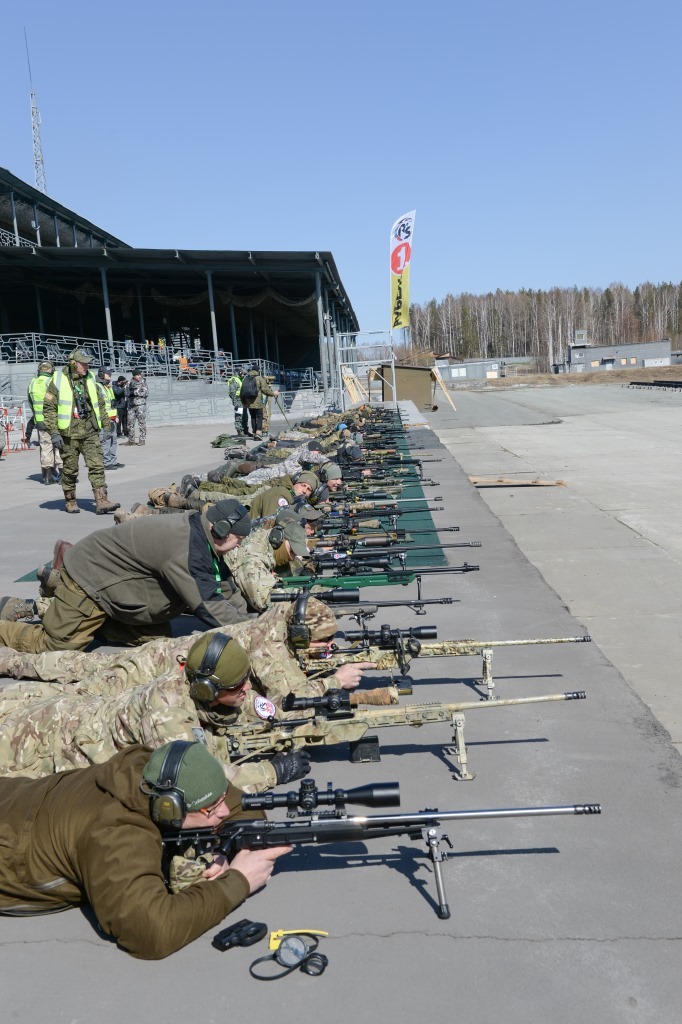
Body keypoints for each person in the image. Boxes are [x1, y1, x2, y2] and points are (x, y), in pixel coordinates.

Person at [0, 740, 292, 959]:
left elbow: (234, 803)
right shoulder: (118, 835)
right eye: (212, 808)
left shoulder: (157, 771)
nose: (224, 810)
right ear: (171, 808)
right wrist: (238, 881)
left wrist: (228, 848)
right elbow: (151, 932)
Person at [0, 498, 253, 653]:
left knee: (157, 637)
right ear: (220, 529)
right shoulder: (186, 547)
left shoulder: (200, 533)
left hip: (110, 580)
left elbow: (223, 584)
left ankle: (86, 619)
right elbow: (208, 603)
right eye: (238, 540)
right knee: (56, 646)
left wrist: (251, 618)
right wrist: (251, 633)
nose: (239, 546)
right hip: (90, 577)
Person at [42, 348, 119, 515]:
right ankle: (70, 500)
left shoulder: (90, 378)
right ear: (73, 363)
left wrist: (106, 425)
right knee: (70, 470)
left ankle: (102, 501)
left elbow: (100, 404)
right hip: (68, 435)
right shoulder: (58, 379)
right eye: (83, 363)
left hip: (90, 431)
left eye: (87, 363)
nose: (87, 366)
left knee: (97, 466)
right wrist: (54, 433)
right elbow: (48, 409)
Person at [26, 360, 62, 485]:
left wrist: (37, 418)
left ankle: (47, 477)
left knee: (46, 447)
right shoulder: (51, 382)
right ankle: (63, 475)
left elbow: (31, 403)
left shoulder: (33, 383)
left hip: (40, 421)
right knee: (59, 446)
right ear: (51, 370)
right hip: (54, 420)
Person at [248, 471, 319, 519]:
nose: (304, 491)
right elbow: (269, 522)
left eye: (309, 489)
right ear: (295, 482)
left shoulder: (292, 497)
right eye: (303, 485)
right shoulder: (280, 494)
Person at [239, 364, 279, 440]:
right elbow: (265, 390)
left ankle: (254, 433)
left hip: (249, 403)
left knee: (253, 417)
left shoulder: (246, 378)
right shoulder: (259, 378)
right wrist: (273, 393)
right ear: (258, 371)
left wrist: (244, 402)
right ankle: (258, 432)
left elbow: (242, 393)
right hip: (257, 402)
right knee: (259, 417)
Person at [96, 368, 123, 471]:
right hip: (104, 419)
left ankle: (113, 460)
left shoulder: (108, 387)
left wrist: (116, 415)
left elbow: (112, 403)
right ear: (102, 374)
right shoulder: (98, 386)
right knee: (105, 441)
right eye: (108, 373)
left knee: (113, 440)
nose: (110, 375)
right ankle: (106, 462)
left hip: (112, 418)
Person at [126, 369, 148, 446]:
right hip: (131, 406)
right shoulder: (129, 383)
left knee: (141, 423)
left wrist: (134, 392)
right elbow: (127, 392)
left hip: (140, 405)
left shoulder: (143, 382)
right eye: (137, 375)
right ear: (134, 375)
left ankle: (142, 439)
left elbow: (145, 392)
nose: (139, 376)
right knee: (130, 423)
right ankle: (131, 440)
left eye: (140, 375)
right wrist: (128, 393)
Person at [225, 370, 245, 435]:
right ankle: (239, 430)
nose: (243, 375)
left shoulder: (241, 379)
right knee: (238, 415)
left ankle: (244, 430)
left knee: (244, 416)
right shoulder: (234, 380)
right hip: (237, 400)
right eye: (242, 373)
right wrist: (235, 402)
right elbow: (232, 392)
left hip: (242, 399)